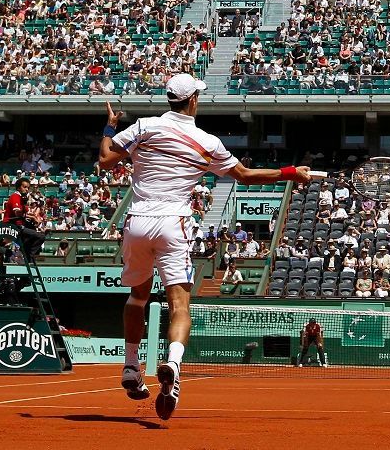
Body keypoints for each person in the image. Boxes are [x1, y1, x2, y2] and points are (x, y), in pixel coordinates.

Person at [99, 73, 311, 420]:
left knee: (137, 296)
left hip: (136, 221)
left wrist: (109, 127)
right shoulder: (206, 142)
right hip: (173, 224)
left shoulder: (143, 127)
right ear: (193, 100)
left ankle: (130, 366)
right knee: (180, 304)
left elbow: (106, 161)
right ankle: (173, 364)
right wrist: (290, 172)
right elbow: (245, 175)